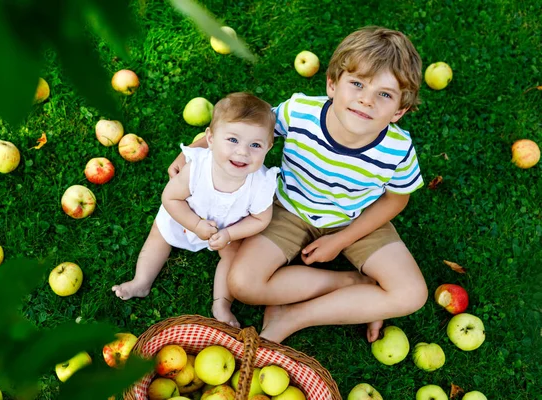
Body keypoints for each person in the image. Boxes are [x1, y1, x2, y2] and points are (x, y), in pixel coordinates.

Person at [168, 26, 428, 343]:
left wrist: (341, 239)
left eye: (384, 95)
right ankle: (352, 285)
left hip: (357, 217)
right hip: (288, 208)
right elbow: (249, 129)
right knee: (243, 283)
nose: (365, 100)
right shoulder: (301, 113)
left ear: (399, 110)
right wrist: (196, 150)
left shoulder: (397, 149)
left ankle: (295, 316)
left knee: (412, 293)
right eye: (357, 84)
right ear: (332, 84)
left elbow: (396, 199)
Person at [113, 92, 279, 328]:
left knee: (233, 256)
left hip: (229, 228)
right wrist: (195, 224)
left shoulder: (261, 184)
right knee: (159, 234)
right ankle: (141, 280)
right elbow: (171, 198)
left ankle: (221, 304)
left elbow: (261, 219)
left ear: (268, 148)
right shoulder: (199, 166)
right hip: (187, 216)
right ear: (210, 139)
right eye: (232, 140)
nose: (243, 152)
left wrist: (230, 234)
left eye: (255, 145)